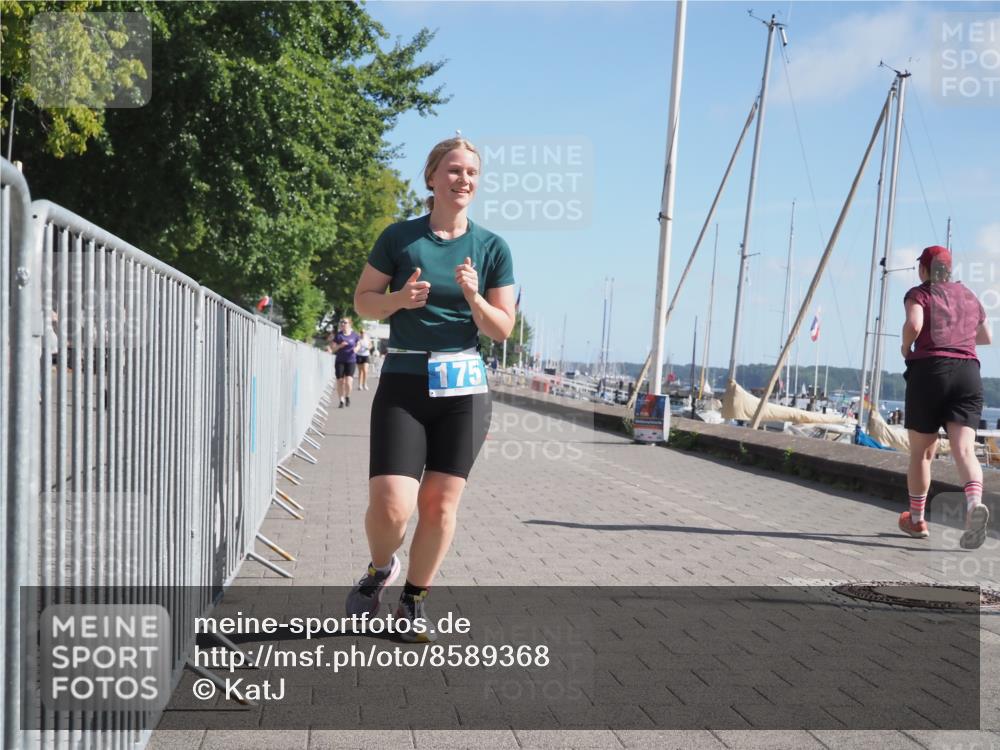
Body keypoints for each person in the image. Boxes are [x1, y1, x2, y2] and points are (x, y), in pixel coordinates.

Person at [348, 136, 516, 641]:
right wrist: (399, 299)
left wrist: (472, 296)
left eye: (471, 173)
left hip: (463, 388)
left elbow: (501, 329)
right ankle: (381, 569)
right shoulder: (400, 238)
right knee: (391, 505)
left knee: (440, 504)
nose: (463, 179)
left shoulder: (492, 248)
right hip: (404, 379)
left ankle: (413, 601)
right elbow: (363, 302)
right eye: (453, 170)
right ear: (432, 177)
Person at [898, 245, 992, 548]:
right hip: (968, 373)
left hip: (930, 372)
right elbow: (986, 337)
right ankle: (974, 506)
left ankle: (916, 520)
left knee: (922, 453)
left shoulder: (920, 293)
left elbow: (914, 324)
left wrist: (905, 347)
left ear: (924, 270)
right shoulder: (968, 296)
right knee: (964, 450)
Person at [331, 317, 361, 408]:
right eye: (342, 322)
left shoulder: (354, 335)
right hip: (340, 361)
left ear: (350, 324)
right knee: (340, 381)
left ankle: (347, 396)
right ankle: (341, 400)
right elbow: (333, 349)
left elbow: (358, 344)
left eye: (345, 322)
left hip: (351, 360)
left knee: (349, 381)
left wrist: (356, 349)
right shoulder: (338, 335)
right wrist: (340, 345)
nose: (343, 324)